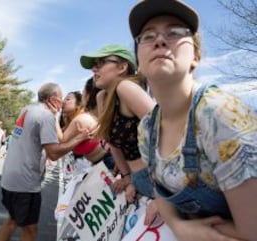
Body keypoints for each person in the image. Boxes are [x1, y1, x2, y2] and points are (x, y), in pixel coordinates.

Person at [129, 0, 257, 240]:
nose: (160, 40)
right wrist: (179, 225)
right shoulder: (147, 128)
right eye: (147, 36)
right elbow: (158, 188)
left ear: (195, 56)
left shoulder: (220, 116)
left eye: (175, 32)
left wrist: (194, 228)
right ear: (138, 60)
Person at [0, 83, 90, 241]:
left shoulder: (27, 109)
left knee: (12, 220)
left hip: (9, 177)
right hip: (25, 182)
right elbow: (53, 153)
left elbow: (55, 139)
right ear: (53, 99)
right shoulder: (45, 116)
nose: (62, 102)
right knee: (31, 229)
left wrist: (54, 117)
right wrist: (80, 138)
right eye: (61, 99)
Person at [80, 44, 156, 203]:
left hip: (158, 179)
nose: (94, 70)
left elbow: (164, 130)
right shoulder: (102, 97)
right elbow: (112, 143)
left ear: (122, 67)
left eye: (100, 63)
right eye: (93, 66)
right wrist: (128, 178)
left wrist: (163, 196)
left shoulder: (125, 87)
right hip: (138, 180)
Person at [57, 88, 114, 170]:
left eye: (68, 99)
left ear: (78, 104)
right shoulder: (71, 122)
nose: (63, 102)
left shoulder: (81, 119)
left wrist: (53, 114)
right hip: (100, 163)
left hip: (108, 161)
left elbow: (61, 140)